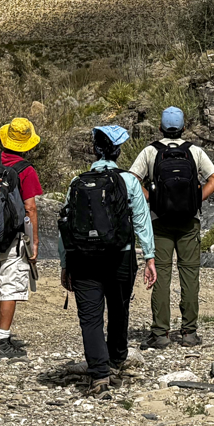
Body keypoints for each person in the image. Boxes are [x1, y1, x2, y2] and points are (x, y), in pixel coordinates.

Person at [58, 125, 156, 397]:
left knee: (89, 319)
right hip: (120, 255)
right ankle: (116, 359)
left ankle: (99, 375)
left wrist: (65, 262)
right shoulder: (129, 181)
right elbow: (141, 222)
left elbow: (65, 224)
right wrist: (149, 257)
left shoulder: (78, 181)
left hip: (83, 258)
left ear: (94, 149)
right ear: (118, 151)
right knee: (119, 308)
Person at [129, 106, 214, 348]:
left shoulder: (150, 151)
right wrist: (195, 199)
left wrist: (151, 198)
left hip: (159, 223)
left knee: (160, 277)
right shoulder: (194, 151)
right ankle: (189, 333)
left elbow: (131, 180)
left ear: (160, 128)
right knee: (189, 276)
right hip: (188, 223)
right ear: (183, 127)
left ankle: (160, 333)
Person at [0, 117, 44, 361]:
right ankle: (2, 341)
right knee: (9, 287)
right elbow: (30, 208)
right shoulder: (26, 170)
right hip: (13, 238)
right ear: (27, 144)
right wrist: (34, 242)